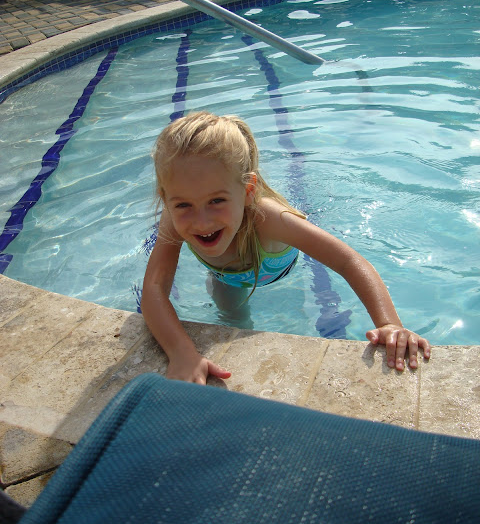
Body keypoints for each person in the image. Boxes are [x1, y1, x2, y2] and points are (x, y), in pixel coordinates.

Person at [141, 111, 431, 384]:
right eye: (183, 205)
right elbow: (154, 286)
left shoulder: (270, 219)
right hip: (226, 278)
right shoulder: (172, 218)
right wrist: (181, 352)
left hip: (277, 269)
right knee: (232, 318)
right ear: (166, 198)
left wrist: (389, 324)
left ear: (247, 191)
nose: (201, 221)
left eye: (216, 201)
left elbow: (349, 262)